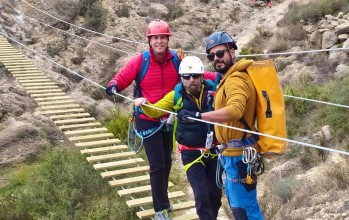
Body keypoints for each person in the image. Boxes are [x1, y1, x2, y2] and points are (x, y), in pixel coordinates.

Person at [178, 32, 264, 220]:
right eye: (211, 56)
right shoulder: (227, 78)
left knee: (245, 208)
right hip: (232, 153)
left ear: (232, 52)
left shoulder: (235, 79)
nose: (216, 59)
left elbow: (235, 110)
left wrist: (199, 116)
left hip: (239, 153)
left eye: (220, 54)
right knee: (239, 206)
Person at [105, 19, 178, 220]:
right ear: (150, 40)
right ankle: (160, 209)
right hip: (147, 118)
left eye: (163, 37)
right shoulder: (141, 60)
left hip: (169, 118)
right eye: (155, 38)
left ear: (167, 39)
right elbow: (122, 77)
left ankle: (162, 199)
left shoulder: (176, 60)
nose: (159, 41)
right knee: (157, 164)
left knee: (167, 161)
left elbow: (191, 77)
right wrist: (113, 85)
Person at [133, 56, 222, 220]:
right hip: (191, 155)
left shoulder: (214, 92)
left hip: (214, 151)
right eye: (186, 77)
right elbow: (155, 111)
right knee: (201, 195)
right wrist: (144, 104)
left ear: (202, 77)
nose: (191, 80)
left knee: (215, 194)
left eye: (195, 76)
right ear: (181, 78)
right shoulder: (175, 96)